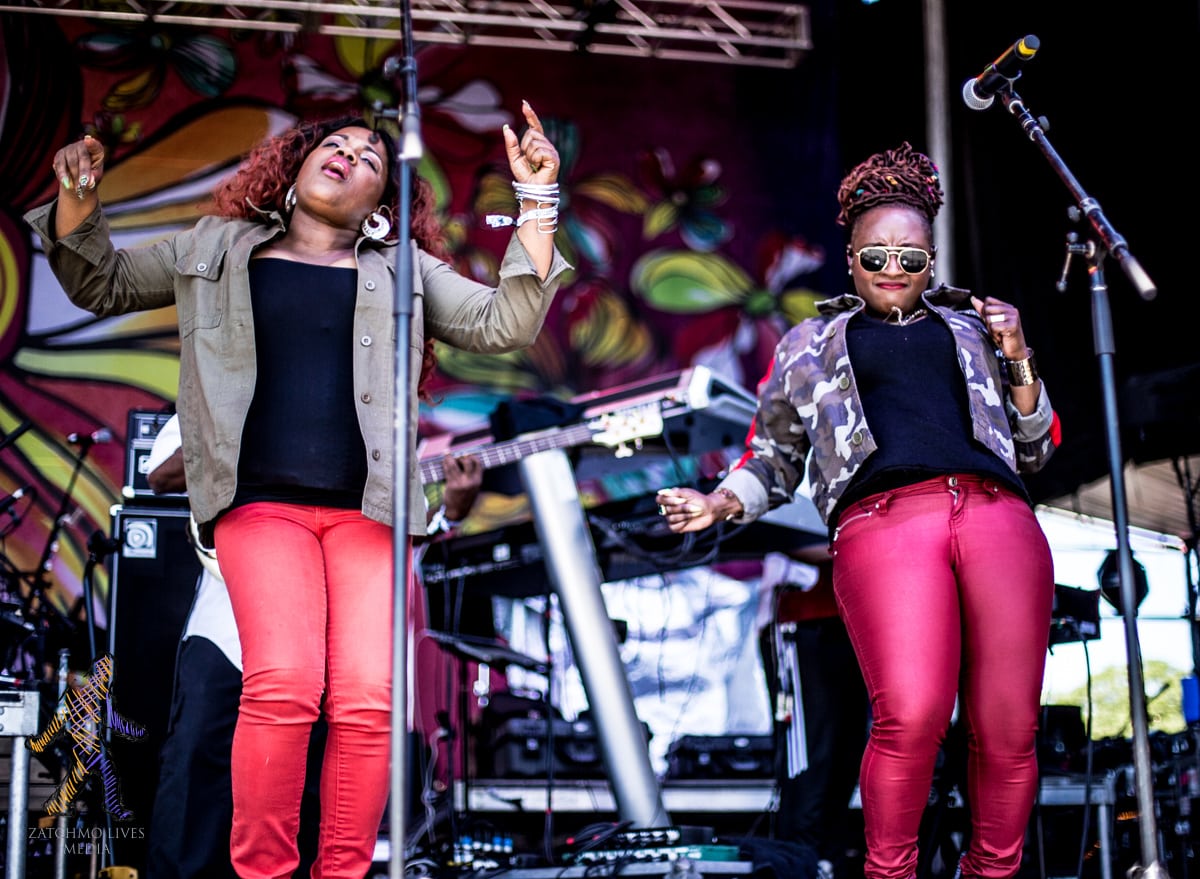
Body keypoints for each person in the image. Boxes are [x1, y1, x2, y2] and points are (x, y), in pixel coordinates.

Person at [27, 101, 567, 879]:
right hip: (261, 508)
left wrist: (538, 199)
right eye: (335, 144)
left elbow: (504, 323)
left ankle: (340, 873)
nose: (348, 155)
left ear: (382, 203)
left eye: (371, 157)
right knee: (283, 684)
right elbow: (100, 283)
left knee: (369, 698)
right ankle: (265, 874)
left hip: (369, 513)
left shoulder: (403, 272)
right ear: (295, 168)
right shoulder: (213, 247)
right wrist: (78, 198)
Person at [657, 142, 1059, 879]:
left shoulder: (976, 328)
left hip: (999, 514)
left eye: (912, 257)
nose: (894, 269)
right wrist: (718, 502)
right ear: (850, 260)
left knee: (1009, 727)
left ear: (932, 261)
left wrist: (1019, 353)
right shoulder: (809, 344)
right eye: (877, 257)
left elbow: (1035, 447)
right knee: (912, 712)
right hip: (886, 522)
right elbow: (773, 457)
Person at [143, 413, 485, 879]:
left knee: (311, 801)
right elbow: (160, 473)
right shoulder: (220, 389)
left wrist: (451, 510)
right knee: (197, 784)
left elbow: (400, 545)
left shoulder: (381, 413)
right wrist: (252, 437)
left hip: (331, 649)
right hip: (226, 638)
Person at [758, 547, 868, 879]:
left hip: (863, 619)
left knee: (848, 758)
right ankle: (801, 864)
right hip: (804, 622)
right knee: (809, 762)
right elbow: (781, 533)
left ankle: (826, 863)